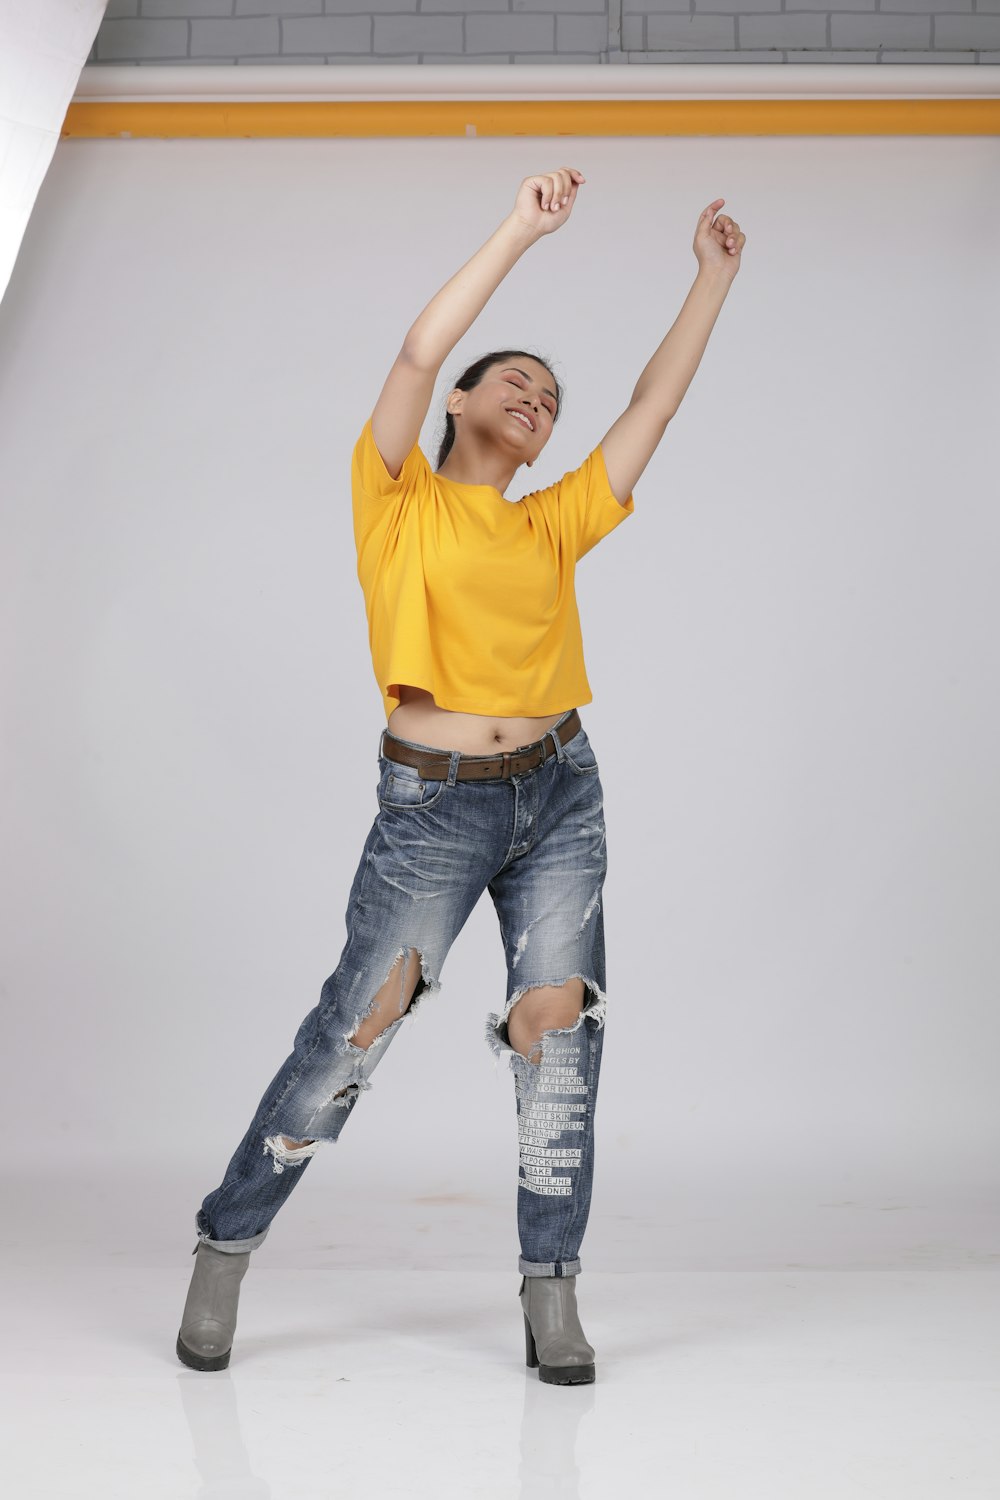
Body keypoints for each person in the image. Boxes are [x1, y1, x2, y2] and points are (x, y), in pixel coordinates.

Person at [176, 168, 745, 1385]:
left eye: (550, 395)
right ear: (465, 405)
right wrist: (522, 232)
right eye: (516, 383)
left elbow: (653, 406)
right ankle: (225, 1246)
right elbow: (417, 347)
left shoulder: (553, 521)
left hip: (560, 795)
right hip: (433, 807)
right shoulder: (393, 498)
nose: (537, 400)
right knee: (349, 1037)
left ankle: (551, 1290)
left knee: (561, 1045)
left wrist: (711, 279)